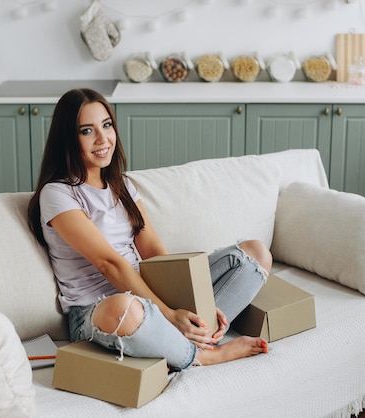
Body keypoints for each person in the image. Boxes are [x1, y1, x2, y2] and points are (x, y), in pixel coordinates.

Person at [27, 88, 272, 371]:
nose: (102, 138)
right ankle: (205, 355)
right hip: (97, 311)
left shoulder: (122, 185)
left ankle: (195, 334)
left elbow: (153, 251)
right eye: (86, 131)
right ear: (68, 139)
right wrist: (168, 314)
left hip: (146, 292)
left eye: (107, 125)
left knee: (256, 253)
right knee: (125, 310)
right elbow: (109, 264)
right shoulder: (57, 193)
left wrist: (193, 301)